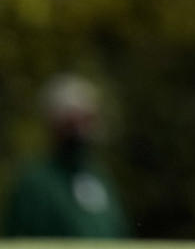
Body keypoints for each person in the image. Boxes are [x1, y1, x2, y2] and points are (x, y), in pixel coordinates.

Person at [2, 74, 129, 238]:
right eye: (73, 121)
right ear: (54, 123)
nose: (82, 130)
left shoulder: (99, 176)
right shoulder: (35, 183)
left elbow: (120, 232)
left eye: (88, 119)